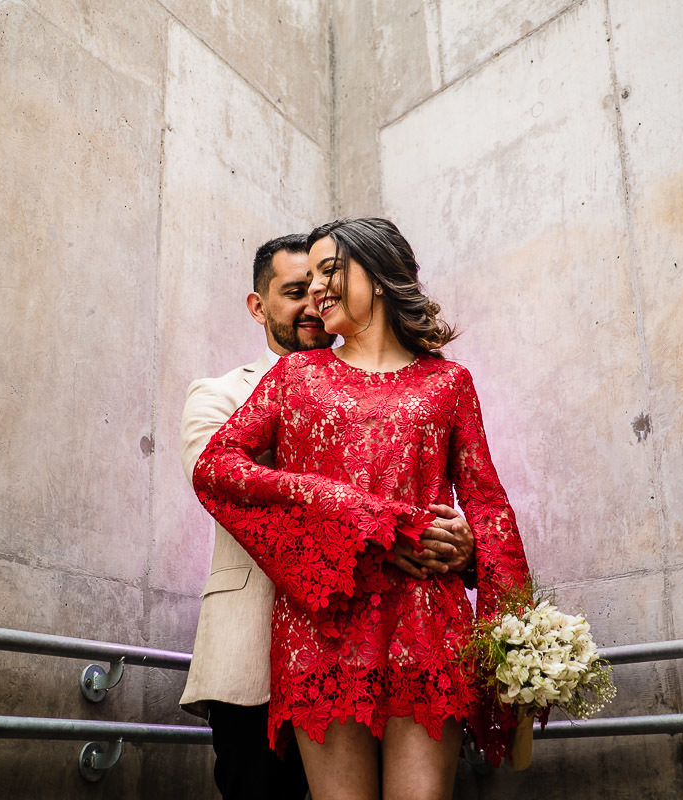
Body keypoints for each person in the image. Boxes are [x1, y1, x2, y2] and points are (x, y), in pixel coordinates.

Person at [192, 217, 531, 800]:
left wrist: (485, 571)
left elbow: (487, 502)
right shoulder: (294, 375)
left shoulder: (449, 383)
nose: (316, 287)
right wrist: (351, 513)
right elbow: (217, 467)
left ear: (375, 276)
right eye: (309, 275)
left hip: (427, 622)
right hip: (323, 625)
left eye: (329, 270)